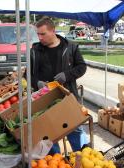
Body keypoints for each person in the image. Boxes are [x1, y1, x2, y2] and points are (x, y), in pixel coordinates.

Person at [31, 17, 87, 153]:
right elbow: (29, 75)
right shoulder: (35, 50)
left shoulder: (71, 47)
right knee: (50, 135)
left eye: (42, 34)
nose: (40, 38)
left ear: (53, 31)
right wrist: (37, 82)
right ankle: (56, 161)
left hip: (67, 98)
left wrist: (66, 75)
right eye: (38, 34)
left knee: (75, 131)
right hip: (45, 102)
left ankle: (82, 157)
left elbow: (82, 67)